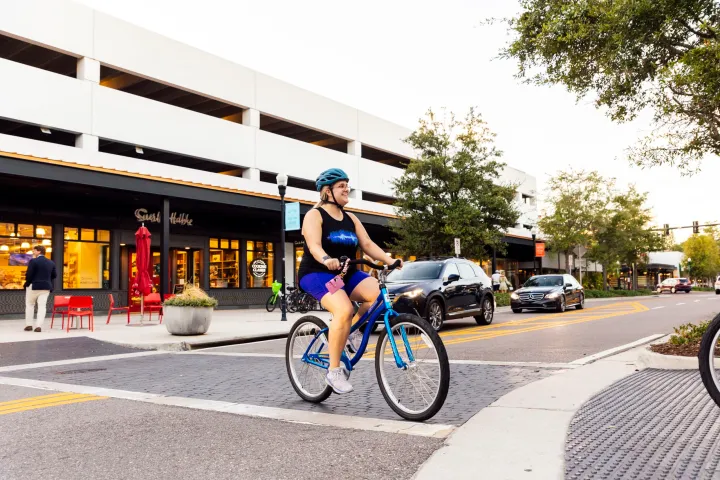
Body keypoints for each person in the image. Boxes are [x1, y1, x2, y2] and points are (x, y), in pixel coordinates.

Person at [298, 168, 402, 394]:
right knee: (343, 309)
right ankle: (334, 371)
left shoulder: (350, 218)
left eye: (347, 184)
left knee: (378, 296)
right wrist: (326, 259)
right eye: (341, 185)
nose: (347, 189)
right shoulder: (314, 215)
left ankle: (349, 332)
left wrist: (389, 259)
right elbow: (314, 245)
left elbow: (367, 244)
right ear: (327, 191)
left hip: (345, 273)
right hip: (317, 272)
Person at [23, 245, 57, 332]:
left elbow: (29, 275)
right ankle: (38, 326)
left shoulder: (33, 261)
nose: (33, 252)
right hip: (46, 287)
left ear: (38, 251)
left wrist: (27, 283)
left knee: (30, 305)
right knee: (42, 306)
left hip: (33, 286)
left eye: (34, 251)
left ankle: (29, 325)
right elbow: (54, 275)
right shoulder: (51, 262)